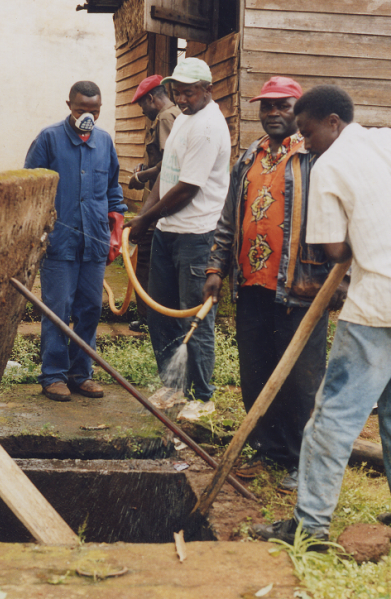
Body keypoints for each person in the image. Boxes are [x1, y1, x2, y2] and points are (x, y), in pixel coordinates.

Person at [253, 84, 391, 544]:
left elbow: (335, 247)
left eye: (308, 131)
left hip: (381, 302)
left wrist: (370, 220)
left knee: (333, 417)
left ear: (333, 123)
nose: (304, 142)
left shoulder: (330, 167)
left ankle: (310, 526)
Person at [203, 77, 337, 492]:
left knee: (300, 378)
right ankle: (268, 450)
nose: (273, 114)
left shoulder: (316, 158)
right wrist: (215, 269)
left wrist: (340, 282)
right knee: (256, 371)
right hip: (252, 286)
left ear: (298, 112)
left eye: (282, 107)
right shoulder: (249, 156)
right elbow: (229, 219)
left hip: (301, 288)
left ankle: (303, 460)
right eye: (267, 107)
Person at [128, 57, 231, 402]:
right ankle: (173, 387)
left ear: (208, 90)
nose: (183, 100)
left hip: (197, 236)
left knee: (194, 317)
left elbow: (186, 189)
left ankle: (202, 397)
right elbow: (165, 174)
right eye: (177, 93)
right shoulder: (184, 120)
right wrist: (147, 219)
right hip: (168, 232)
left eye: (189, 93)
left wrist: (147, 219)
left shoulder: (207, 127)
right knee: (161, 313)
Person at [24, 81, 126, 402]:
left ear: (100, 110)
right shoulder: (49, 139)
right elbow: (31, 186)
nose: (88, 116)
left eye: (94, 111)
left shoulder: (105, 142)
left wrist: (115, 224)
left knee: (90, 310)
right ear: (69, 105)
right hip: (58, 243)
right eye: (82, 110)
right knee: (57, 309)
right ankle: (53, 375)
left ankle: (81, 374)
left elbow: (112, 189)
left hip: (94, 243)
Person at [127, 75, 181, 331]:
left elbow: (170, 163)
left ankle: (150, 318)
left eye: (142, 106)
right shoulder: (169, 116)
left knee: (146, 257)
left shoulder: (165, 118)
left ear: (151, 98)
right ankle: (151, 317)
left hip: (161, 203)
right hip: (162, 202)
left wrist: (141, 176)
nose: (142, 111)